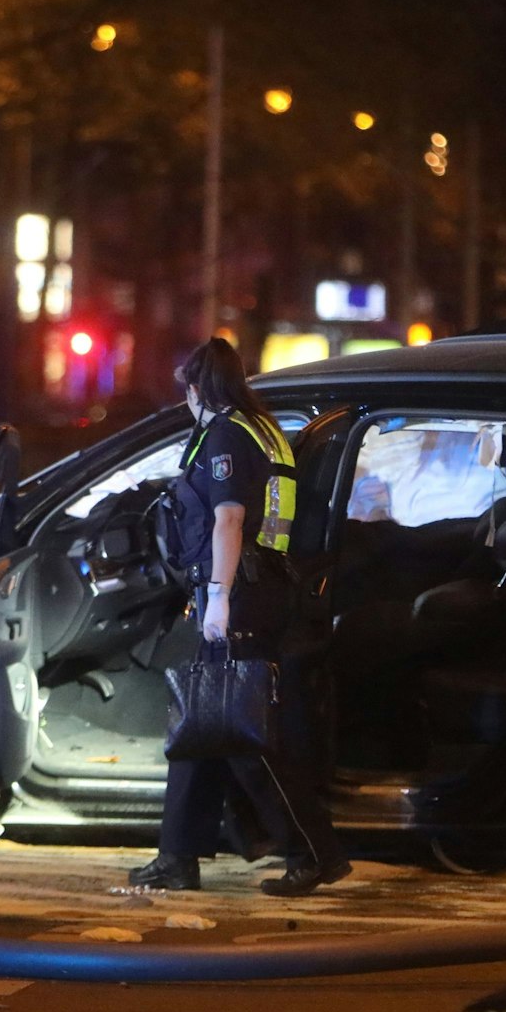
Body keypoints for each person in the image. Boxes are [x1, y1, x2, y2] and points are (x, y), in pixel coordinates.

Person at [128, 337, 352, 897]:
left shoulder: (225, 434)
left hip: (240, 594)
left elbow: (229, 519)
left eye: (187, 391)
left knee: (244, 734)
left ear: (197, 388)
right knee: (203, 722)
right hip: (261, 586)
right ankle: (177, 856)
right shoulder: (263, 427)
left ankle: (313, 853)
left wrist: (220, 597)